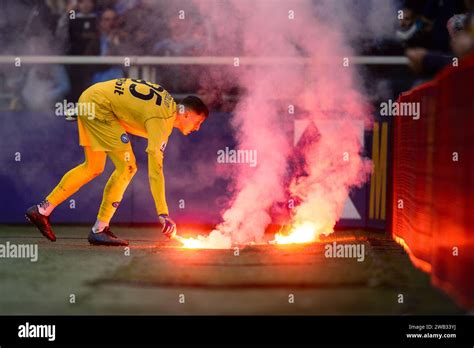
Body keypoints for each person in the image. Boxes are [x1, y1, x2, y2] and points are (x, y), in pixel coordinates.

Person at [26, 78, 209, 246]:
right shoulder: (162, 121)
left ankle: (42, 210)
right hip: (99, 107)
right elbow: (155, 171)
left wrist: (86, 106)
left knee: (93, 167)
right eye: (198, 122)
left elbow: (128, 96)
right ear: (186, 114)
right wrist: (163, 213)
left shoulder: (166, 102)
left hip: (93, 99)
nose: (198, 128)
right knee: (128, 168)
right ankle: (99, 229)